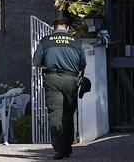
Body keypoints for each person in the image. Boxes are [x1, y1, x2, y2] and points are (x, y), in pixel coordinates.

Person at [32, 17, 86, 160]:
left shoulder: (46, 41)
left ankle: (59, 149)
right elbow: (82, 64)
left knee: (55, 114)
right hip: (71, 80)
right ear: (67, 28)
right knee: (68, 114)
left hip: (52, 79)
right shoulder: (76, 42)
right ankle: (67, 148)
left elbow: (36, 62)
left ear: (53, 27)